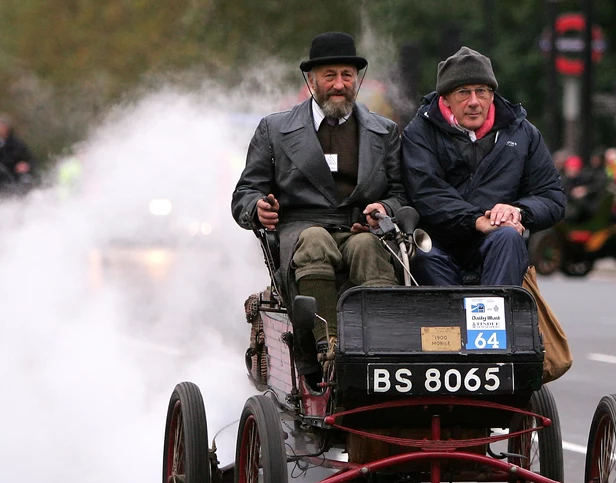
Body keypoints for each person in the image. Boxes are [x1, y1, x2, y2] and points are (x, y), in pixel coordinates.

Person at [232, 32, 405, 376]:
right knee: (315, 241)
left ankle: (383, 346)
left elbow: (401, 195)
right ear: (311, 80)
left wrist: (385, 209)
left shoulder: (384, 132)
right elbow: (245, 193)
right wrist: (257, 208)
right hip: (300, 231)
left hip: (359, 227)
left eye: (347, 75)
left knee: (369, 248)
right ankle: (329, 351)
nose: (339, 84)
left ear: (357, 79)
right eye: (330, 76)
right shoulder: (274, 130)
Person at [401, 46, 565, 286]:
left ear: (492, 94)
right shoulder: (419, 133)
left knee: (508, 237)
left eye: (482, 91)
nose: (474, 102)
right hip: (438, 245)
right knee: (422, 255)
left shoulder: (524, 134)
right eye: (463, 92)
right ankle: (452, 323)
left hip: (497, 243)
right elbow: (427, 193)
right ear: (445, 98)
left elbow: (552, 198)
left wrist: (516, 211)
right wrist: (478, 220)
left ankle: (493, 323)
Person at [0, 113, 35, 184]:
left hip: (15, 177)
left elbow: (31, 160)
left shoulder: (18, 144)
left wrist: (26, 166)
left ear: (5, 128)